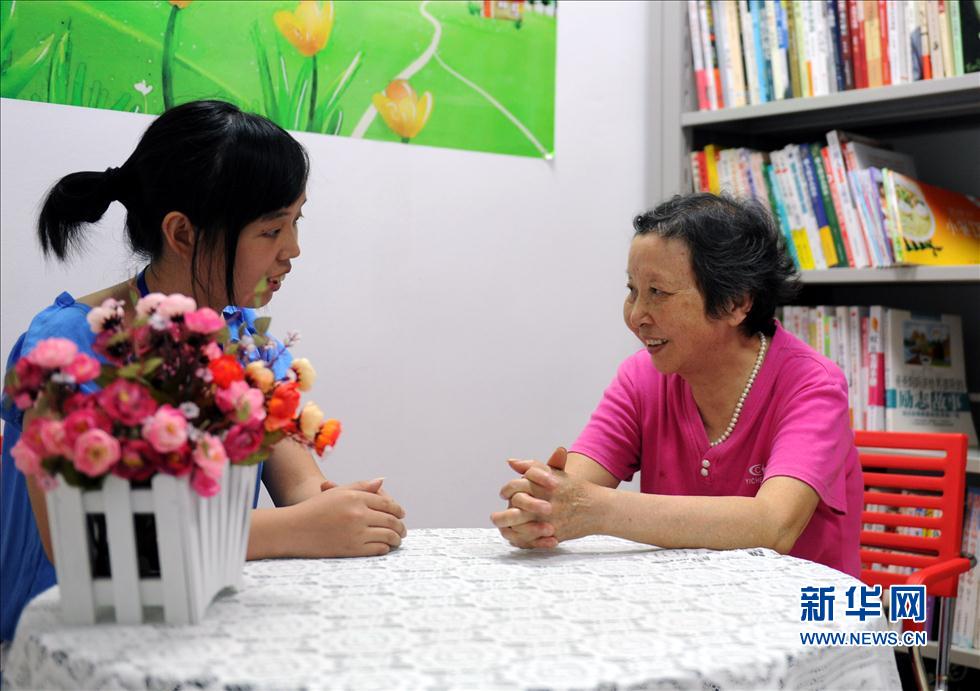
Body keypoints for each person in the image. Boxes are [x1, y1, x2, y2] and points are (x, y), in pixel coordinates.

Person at [0, 100, 407, 643]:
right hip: (68, 646)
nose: (294, 250)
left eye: (296, 221)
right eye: (271, 230)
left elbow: (299, 481)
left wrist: (343, 508)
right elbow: (94, 544)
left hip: (193, 627)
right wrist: (296, 529)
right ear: (183, 233)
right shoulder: (65, 346)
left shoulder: (239, 339)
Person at [491, 193, 862, 577]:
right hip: (683, 609)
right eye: (632, 290)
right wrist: (540, 506)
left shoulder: (812, 385)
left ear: (736, 303)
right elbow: (574, 486)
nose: (636, 316)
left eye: (658, 293)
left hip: (802, 617)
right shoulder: (641, 377)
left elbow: (773, 524)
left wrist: (591, 509)